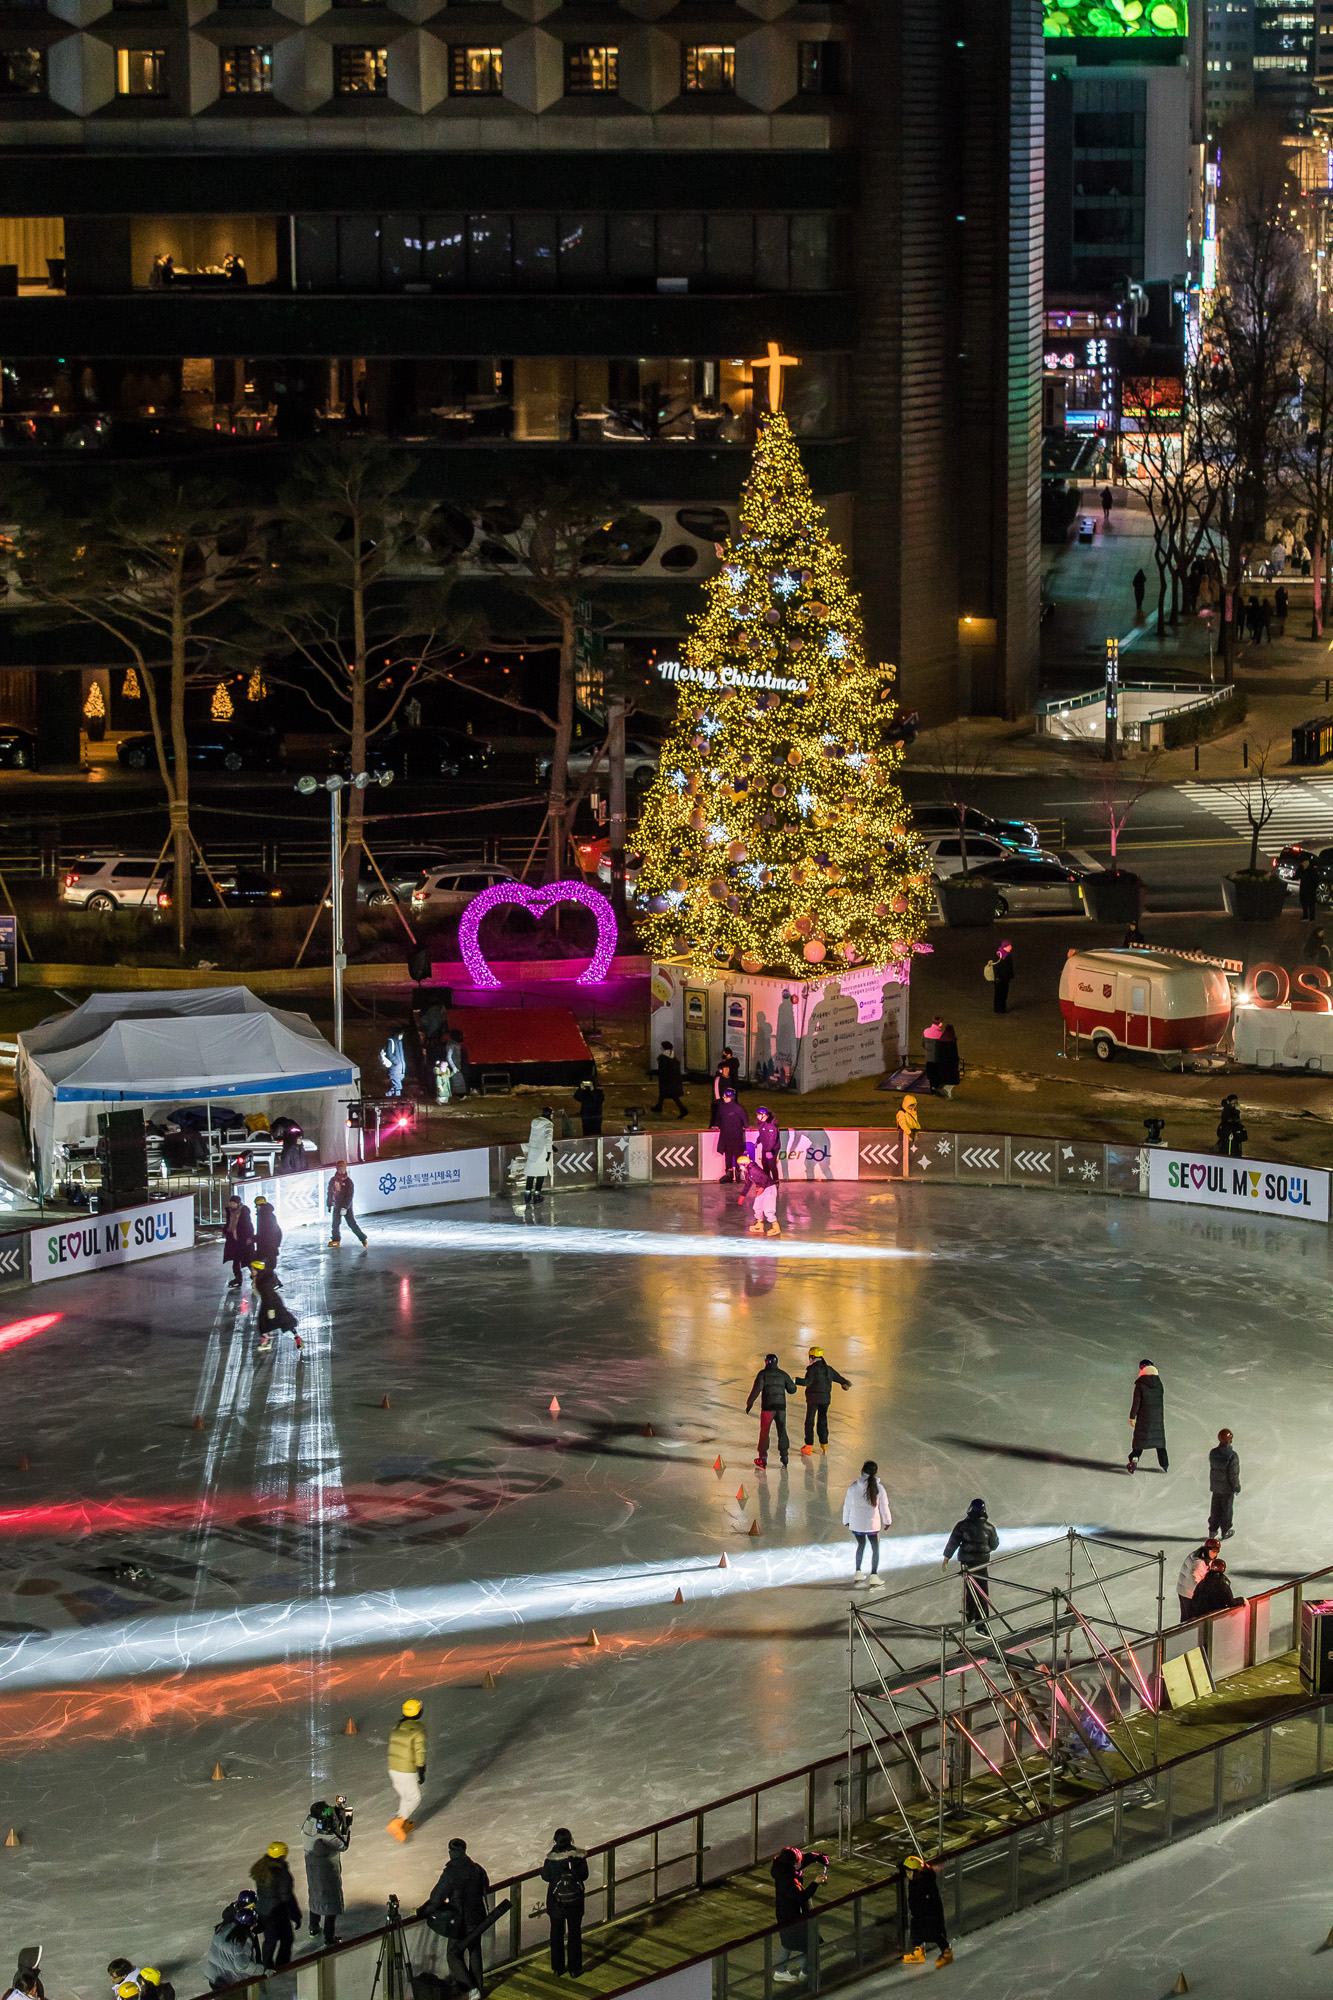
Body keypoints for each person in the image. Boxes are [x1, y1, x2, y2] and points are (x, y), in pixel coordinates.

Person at [419, 1838, 490, 1999]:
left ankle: (471, 1989)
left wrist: (423, 1911)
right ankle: (478, 1985)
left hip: (461, 1923)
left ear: (451, 1852)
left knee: (453, 1954)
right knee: (474, 1950)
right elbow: (486, 1886)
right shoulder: (477, 1868)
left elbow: (436, 1898)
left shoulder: (450, 1873)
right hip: (477, 1918)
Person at [771, 1846, 826, 1984]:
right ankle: (805, 1972)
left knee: (789, 1944)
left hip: (787, 1915)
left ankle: (781, 1970)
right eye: (797, 1863)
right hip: (792, 1917)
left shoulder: (783, 1869)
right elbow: (801, 1896)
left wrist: (816, 1857)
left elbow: (802, 1861)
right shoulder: (787, 1882)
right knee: (809, 1943)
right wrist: (815, 1883)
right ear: (791, 1865)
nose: (800, 1864)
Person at [540, 1827, 589, 1979]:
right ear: (570, 1840)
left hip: (557, 1903)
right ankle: (574, 1968)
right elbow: (584, 1875)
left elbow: (546, 1877)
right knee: (574, 1933)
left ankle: (558, 1967)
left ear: (555, 1841)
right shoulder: (579, 1857)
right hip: (575, 1902)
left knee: (556, 1933)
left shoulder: (551, 1859)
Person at [943, 1498, 999, 1627]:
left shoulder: (962, 1525)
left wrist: (947, 1557)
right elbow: (994, 1545)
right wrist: (984, 1550)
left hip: (966, 1561)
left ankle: (969, 1614)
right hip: (982, 1562)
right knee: (982, 1588)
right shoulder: (989, 1528)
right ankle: (982, 1618)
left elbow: (953, 1541)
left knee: (969, 1587)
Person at [302, 1799, 351, 1946]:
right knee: (330, 1902)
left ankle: (313, 1928)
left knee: (315, 1896)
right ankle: (329, 1938)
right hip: (326, 1871)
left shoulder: (307, 1824)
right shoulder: (324, 1832)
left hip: (312, 1867)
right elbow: (342, 1845)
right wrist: (345, 1826)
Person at [249, 1841, 301, 1971]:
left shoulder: (262, 1867)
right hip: (277, 1912)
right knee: (287, 1938)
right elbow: (287, 1896)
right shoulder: (280, 1872)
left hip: (263, 1910)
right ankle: (282, 1966)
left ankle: (266, 1965)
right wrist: (295, 1915)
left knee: (270, 1940)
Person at [746, 1351, 798, 1469]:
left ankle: (763, 1459)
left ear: (766, 1362)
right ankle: (784, 1457)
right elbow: (792, 1389)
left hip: (767, 1409)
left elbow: (756, 1389)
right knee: (782, 1430)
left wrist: (750, 1403)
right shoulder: (783, 1374)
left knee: (764, 1432)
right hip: (781, 1408)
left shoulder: (763, 1374)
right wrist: (791, 1383)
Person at [842, 1460, 891, 1583]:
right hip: (872, 1526)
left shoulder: (853, 1487)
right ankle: (874, 1575)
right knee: (875, 1548)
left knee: (860, 1545)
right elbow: (884, 1507)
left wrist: (846, 1520)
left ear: (862, 1470)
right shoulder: (879, 1488)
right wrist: (887, 1521)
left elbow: (847, 1505)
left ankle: (858, 1572)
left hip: (857, 1525)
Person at [386, 1696, 427, 1842]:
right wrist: (421, 1770)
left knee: (405, 1796)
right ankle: (398, 1822)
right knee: (415, 1798)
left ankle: (404, 1822)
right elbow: (419, 1752)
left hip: (393, 1767)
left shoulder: (397, 1725)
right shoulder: (418, 1730)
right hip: (406, 1770)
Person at [798, 1345, 851, 1454]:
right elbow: (838, 1378)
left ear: (811, 1357)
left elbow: (806, 1382)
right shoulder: (828, 1369)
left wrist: (793, 1380)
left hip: (813, 1399)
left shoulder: (812, 1369)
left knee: (810, 1422)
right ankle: (824, 1443)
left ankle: (808, 1446)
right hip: (825, 1399)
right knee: (822, 1420)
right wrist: (844, 1382)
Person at [901, 1856, 952, 1969]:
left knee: (934, 1932)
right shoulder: (914, 1880)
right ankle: (918, 1951)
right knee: (916, 1931)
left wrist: (921, 1910)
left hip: (930, 1914)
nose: (907, 1874)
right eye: (906, 1872)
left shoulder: (925, 1882)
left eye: (909, 1872)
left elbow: (929, 1900)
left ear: (917, 1872)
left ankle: (946, 1951)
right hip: (918, 1913)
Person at [204, 1904, 261, 1992]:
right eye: (253, 1923)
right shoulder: (242, 1939)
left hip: (214, 1976)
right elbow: (242, 1966)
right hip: (228, 1983)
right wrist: (261, 1970)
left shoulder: (224, 1927)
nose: (255, 1925)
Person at [1127, 1357, 1168, 1474]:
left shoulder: (1140, 1384)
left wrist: (1132, 1416)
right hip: (1157, 1418)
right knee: (1159, 1442)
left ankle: (1134, 1458)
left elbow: (1137, 1402)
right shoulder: (1159, 1383)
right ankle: (1164, 1463)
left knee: (1140, 1441)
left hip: (1144, 1417)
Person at [252, 1263, 301, 1355]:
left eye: (253, 1269)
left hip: (270, 1303)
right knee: (283, 1320)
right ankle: (297, 1338)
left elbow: (266, 1293)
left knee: (265, 1322)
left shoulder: (262, 1280)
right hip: (272, 1302)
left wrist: (270, 1310)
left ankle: (266, 1342)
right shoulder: (263, 1277)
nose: (252, 1271)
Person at [738, 1145, 780, 1237]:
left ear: (744, 1164)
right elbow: (748, 1184)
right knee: (757, 1206)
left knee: (768, 1208)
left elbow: (765, 1177)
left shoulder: (753, 1169)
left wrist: (761, 1187)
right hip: (762, 1189)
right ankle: (759, 1224)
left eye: (740, 1165)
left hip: (769, 1188)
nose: (739, 1167)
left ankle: (775, 1226)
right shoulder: (748, 1172)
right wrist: (742, 1195)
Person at [1176, 1539, 1220, 1623]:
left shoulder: (1200, 1554)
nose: (1215, 1554)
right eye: (1213, 1551)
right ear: (1207, 1549)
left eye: (1217, 1552)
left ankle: (1185, 1630)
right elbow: (1196, 1581)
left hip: (1184, 1590)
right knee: (1191, 1619)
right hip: (1189, 1593)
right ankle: (1188, 1633)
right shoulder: (1199, 1563)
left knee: (1186, 1617)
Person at [1208, 1427, 1241, 1540]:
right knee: (1226, 1510)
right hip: (1227, 1488)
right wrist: (1236, 1487)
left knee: (1215, 1508)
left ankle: (1212, 1530)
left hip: (1216, 1487)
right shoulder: (1232, 1456)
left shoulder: (1213, 1453)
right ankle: (1225, 1531)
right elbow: (1233, 1474)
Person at [327, 1163, 366, 1247]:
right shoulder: (333, 1180)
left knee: (351, 1223)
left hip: (346, 1207)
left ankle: (363, 1238)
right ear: (337, 1169)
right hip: (337, 1205)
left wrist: (345, 1207)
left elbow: (349, 1196)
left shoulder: (348, 1182)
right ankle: (336, 1240)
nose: (341, 1170)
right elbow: (330, 1193)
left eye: (343, 1168)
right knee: (335, 1224)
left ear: (345, 1169)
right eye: (339, 1169)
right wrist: (329, 1204)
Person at [715, 1087, 748, 1183]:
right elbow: (718, 1117)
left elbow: (744, 1118)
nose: (724, 1098)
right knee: (728, 1155)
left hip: (736, 1136)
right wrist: (716, 1125)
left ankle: (738, 1173)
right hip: (726, 1136)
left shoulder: (738, 1108)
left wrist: (746, 1126)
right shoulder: (722, 1107)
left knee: (738, 1154)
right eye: (723, 1096)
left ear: (731, 1097)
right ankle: (728, 1174)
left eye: (726, 1096)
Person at [222, 1194, 255, 1289]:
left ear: (238, 1203)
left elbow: (248, 1226)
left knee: (248, 1260)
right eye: (231, 1203)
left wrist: (249, 1238)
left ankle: (255, 1276)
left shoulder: (244, 1212)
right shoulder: (230, 1212)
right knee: (236, 1261)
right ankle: (238, 1278)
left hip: (243, 1240)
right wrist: (226, 1231)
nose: (232, 1205)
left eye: (234, 1203)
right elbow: (229, 1224)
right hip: (234, 1240)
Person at [524, 1107, 555, 1205]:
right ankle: (536, 1195)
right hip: (542, 1151)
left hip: (532, 1149)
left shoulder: (534, 1122)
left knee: (531, 1172)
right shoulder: (548, 1125)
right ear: (549, 1114)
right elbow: (548, 1138)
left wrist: (552, 1147)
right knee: (541, 1173)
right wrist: (549, 1151)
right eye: (552, 1114)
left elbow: (537, 1136)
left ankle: (527, 1195)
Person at [652, 1041, 687, 1118]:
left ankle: (683, 1110)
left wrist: (652, 1073)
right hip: (674, 1080)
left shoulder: (663, 1058)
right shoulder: (673, 1058)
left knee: (673, 1096)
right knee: (663, 1094)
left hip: (667, 1081)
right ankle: (659, 1106)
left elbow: (662, 1070)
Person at [254, 1195, 282, 1280]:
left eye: (257, 1206)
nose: (256, 1208)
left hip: (267, 1246)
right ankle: (272, 1281)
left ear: (259, 1206)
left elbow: (265, 1233)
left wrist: (253, 1238)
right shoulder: (266, 1215)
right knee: (265, 1265)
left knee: (265, 1265)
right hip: (268, 1246)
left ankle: (274, 1281)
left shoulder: (265, 1216)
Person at [709, 1050, 740, 1126]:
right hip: (719, 1102)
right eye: (725, 1069)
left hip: (725, 1101)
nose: (727, 1071)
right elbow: (716, 1091)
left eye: (727, 1069)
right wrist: (719, 1101)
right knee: (715, 1118)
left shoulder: (728, 1078)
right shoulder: (718, 1078)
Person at [753, 1105, 781, 1181]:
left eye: (758, 1115)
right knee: (764, 1163)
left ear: (763, 1115)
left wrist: (769, 1150)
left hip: (773, 1148)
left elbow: (772, 1139)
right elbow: (762, 1135)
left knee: (771, 1164)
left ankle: (775, 1180)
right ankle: (767, 1179)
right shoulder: (762, 1123)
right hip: (766, 1146)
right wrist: (757, 1142)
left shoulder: (770, 1125)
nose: (757, 1117)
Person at [987, 940, 1014, 1014]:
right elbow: (995, 967)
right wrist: (997, 977)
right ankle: (998, 1008)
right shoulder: (998, 956)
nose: (1010, 947)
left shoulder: (1007, 956)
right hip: (999, 979)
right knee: (999, 994)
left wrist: (1010, 975)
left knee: (1004, 993)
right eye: (1009, 946)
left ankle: (1002, 1008)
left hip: (1005, 978)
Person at [895, 1092, 919, 1177]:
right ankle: (899, 1173)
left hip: (912, 1137)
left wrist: (917, 1132)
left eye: (913, 1105)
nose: (911, 1107)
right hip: (904, 1137)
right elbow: (903, 1124)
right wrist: (909, 1132)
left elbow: (915, 1124)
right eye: (910, 1105)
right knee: (903, 1156)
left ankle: (909, 1172)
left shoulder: (912, 1112)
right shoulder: (901, 1113)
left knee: (911, 1156)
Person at [922, 1017, 945, 1093]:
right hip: (937, 1059)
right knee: (937, 1074)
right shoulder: (940, 1034)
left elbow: (923, 1044)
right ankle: (937, 1089)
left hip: (929, 1058)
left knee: (931, 1075)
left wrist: (928, 1051)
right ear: (940, 1023)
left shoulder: (926, 1031)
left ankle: (932, 1088)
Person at [1300, 853, 1320, 923]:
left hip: (1310, 890)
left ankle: (1312, 918)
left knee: (1311, 904)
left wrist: (1313, 888)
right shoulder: (1303, 870)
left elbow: (1315, 881)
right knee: (1304, 904)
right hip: (1304, 889)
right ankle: (1306, 916)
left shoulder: (1312, 870)